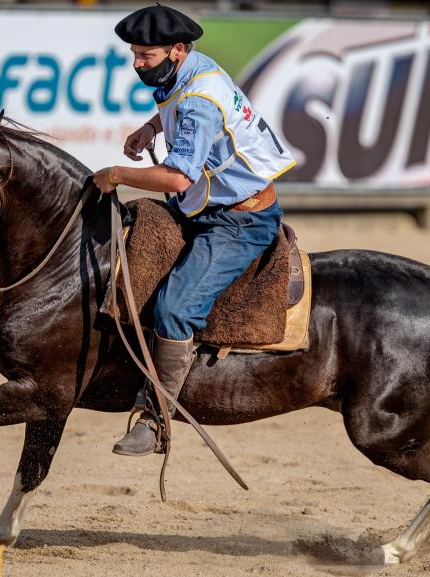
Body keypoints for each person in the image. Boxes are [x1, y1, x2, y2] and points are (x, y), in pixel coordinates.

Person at [93, 4, 296, 456]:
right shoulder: (190, 71)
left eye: (145, 55)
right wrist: (150, 128)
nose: (136, 64)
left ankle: (157, 418)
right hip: (207, 207)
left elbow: (178, 178)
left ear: (177, 50)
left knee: (174, 308)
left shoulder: (200, 101)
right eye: (134, 54)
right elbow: (175, 118)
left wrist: (117, 174)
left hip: (238, 221)